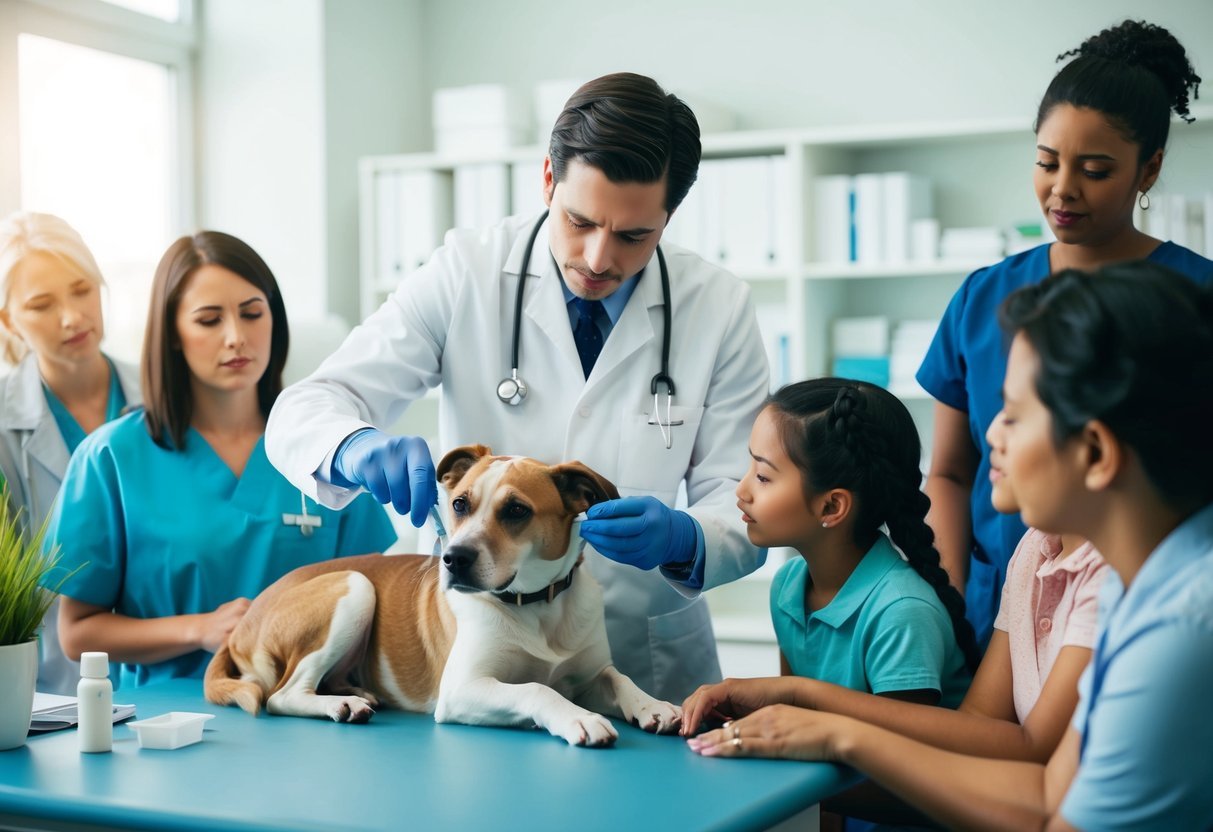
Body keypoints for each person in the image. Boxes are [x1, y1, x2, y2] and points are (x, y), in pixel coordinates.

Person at [265, 72, 769, 702]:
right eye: (579, 221)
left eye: (634, 235)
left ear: (669, 216)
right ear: (548, 181)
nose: (597, 257)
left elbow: (746, 500)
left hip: (644, 660)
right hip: (480, 648)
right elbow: (308, 406)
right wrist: (354, 447)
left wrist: (686, 537)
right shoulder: (467, 272)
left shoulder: (717, 308)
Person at [688, 262, 1213, 830]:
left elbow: (1048, 813)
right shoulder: (1108, 572)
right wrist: (820, 726)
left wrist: (832, 731)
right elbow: (1041, 788)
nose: (990, 435)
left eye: (1013, 415)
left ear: (1095, 452)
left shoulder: (1178, 629)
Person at [917, 19, 1211, 646]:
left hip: (1144, 618)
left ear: (1149, 169)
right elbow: (947, 472)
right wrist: (943, 603)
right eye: (1047, 162)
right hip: (991, 619)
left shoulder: (1196, 297)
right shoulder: (983, 298)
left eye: (1096, 170)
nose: (1063, 189)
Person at [43, 231, 396, 690]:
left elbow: (376, 606)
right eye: (209, 320)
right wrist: (199, 629)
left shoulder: (327, 451)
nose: (236, 338)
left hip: (311, 718)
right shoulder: (110, 458)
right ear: (172, 332)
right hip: (164, 730)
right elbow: (76, 633)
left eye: (252, 313)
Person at [739, 379, 978, 708]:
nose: (741, 490)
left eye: (763, 477)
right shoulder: (787, 587)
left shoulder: (902, 613)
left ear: (832, 507)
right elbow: (792, 717)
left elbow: (903, 753)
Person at [0, 211, 141, 695]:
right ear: (8, 320)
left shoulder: (164, 399)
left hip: (169, 682)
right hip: (49, 693)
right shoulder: (3, 426)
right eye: (42, 304)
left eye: (82, 290)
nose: (72, 317)